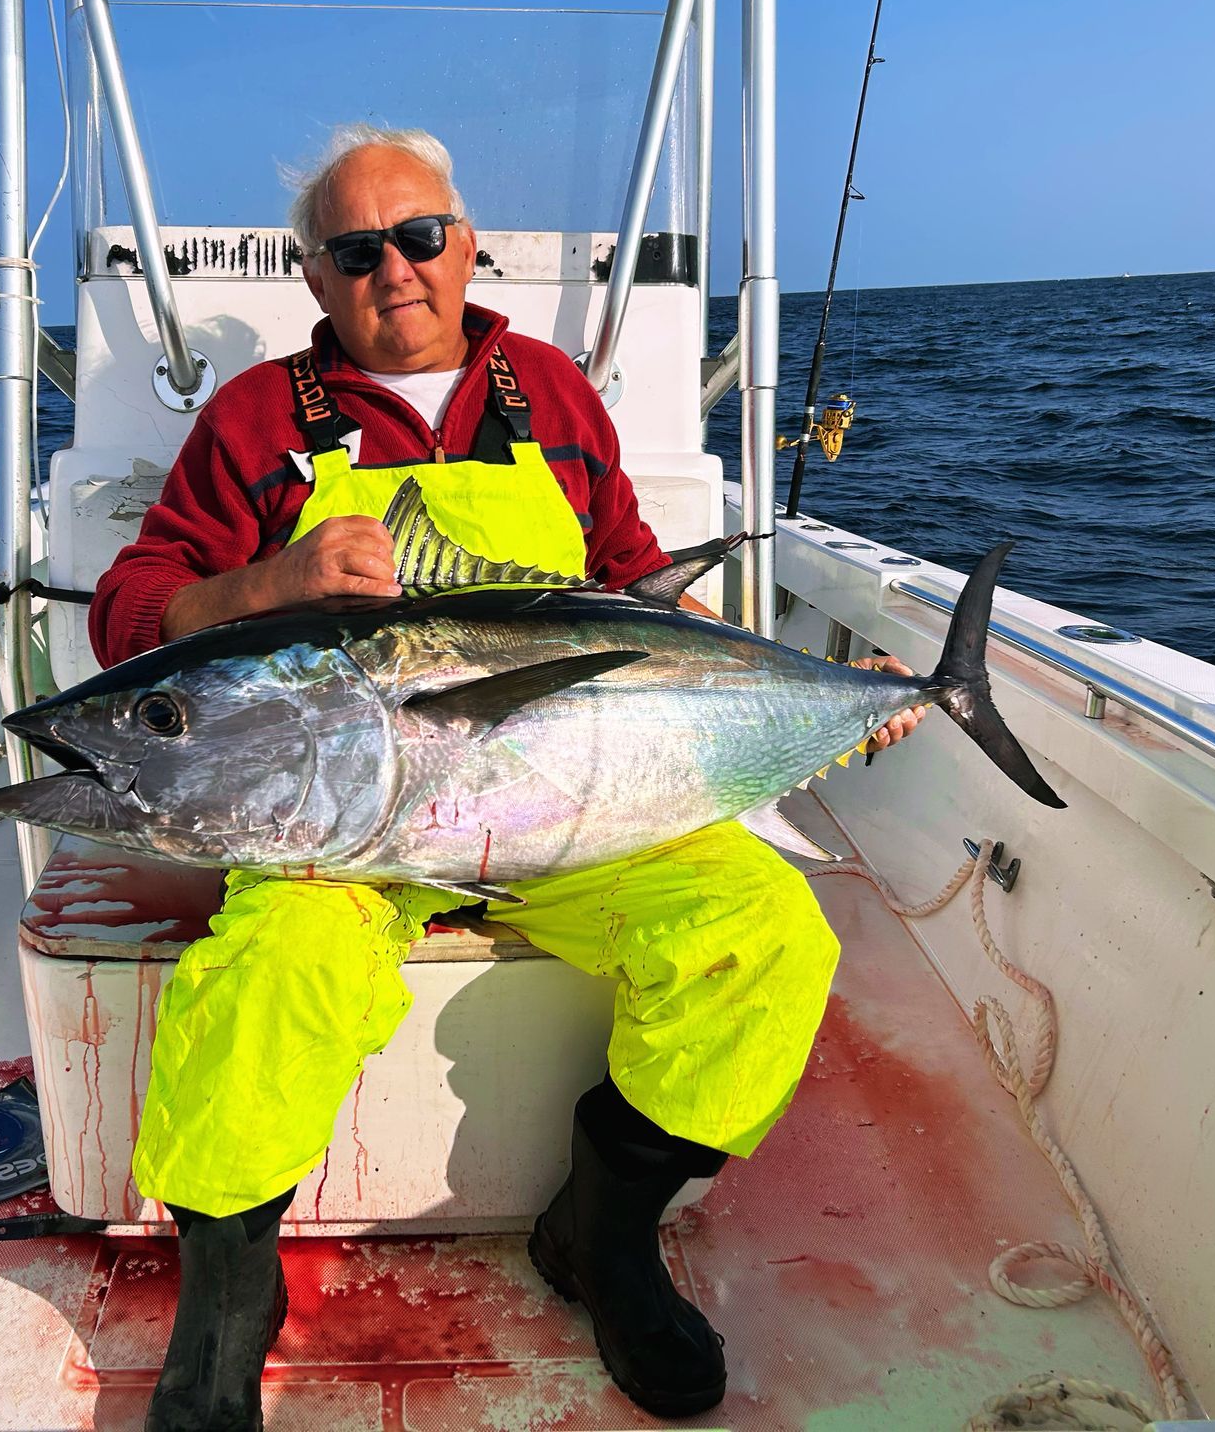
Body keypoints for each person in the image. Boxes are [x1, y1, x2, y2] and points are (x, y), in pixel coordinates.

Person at [89, 123, 924, 1432]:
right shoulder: (259, 420)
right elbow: (130, 611)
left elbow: (641, 591)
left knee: (764, 933)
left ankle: (606, 1221)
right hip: (344, 829)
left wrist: (811, 703)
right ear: (313, 278)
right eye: (353, 251)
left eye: (419, 238)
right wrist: (268, 583)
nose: (393, 271)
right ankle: (229, 1298)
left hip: (585, 798)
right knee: (264, 978)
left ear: (468, 248)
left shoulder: (551, 392)